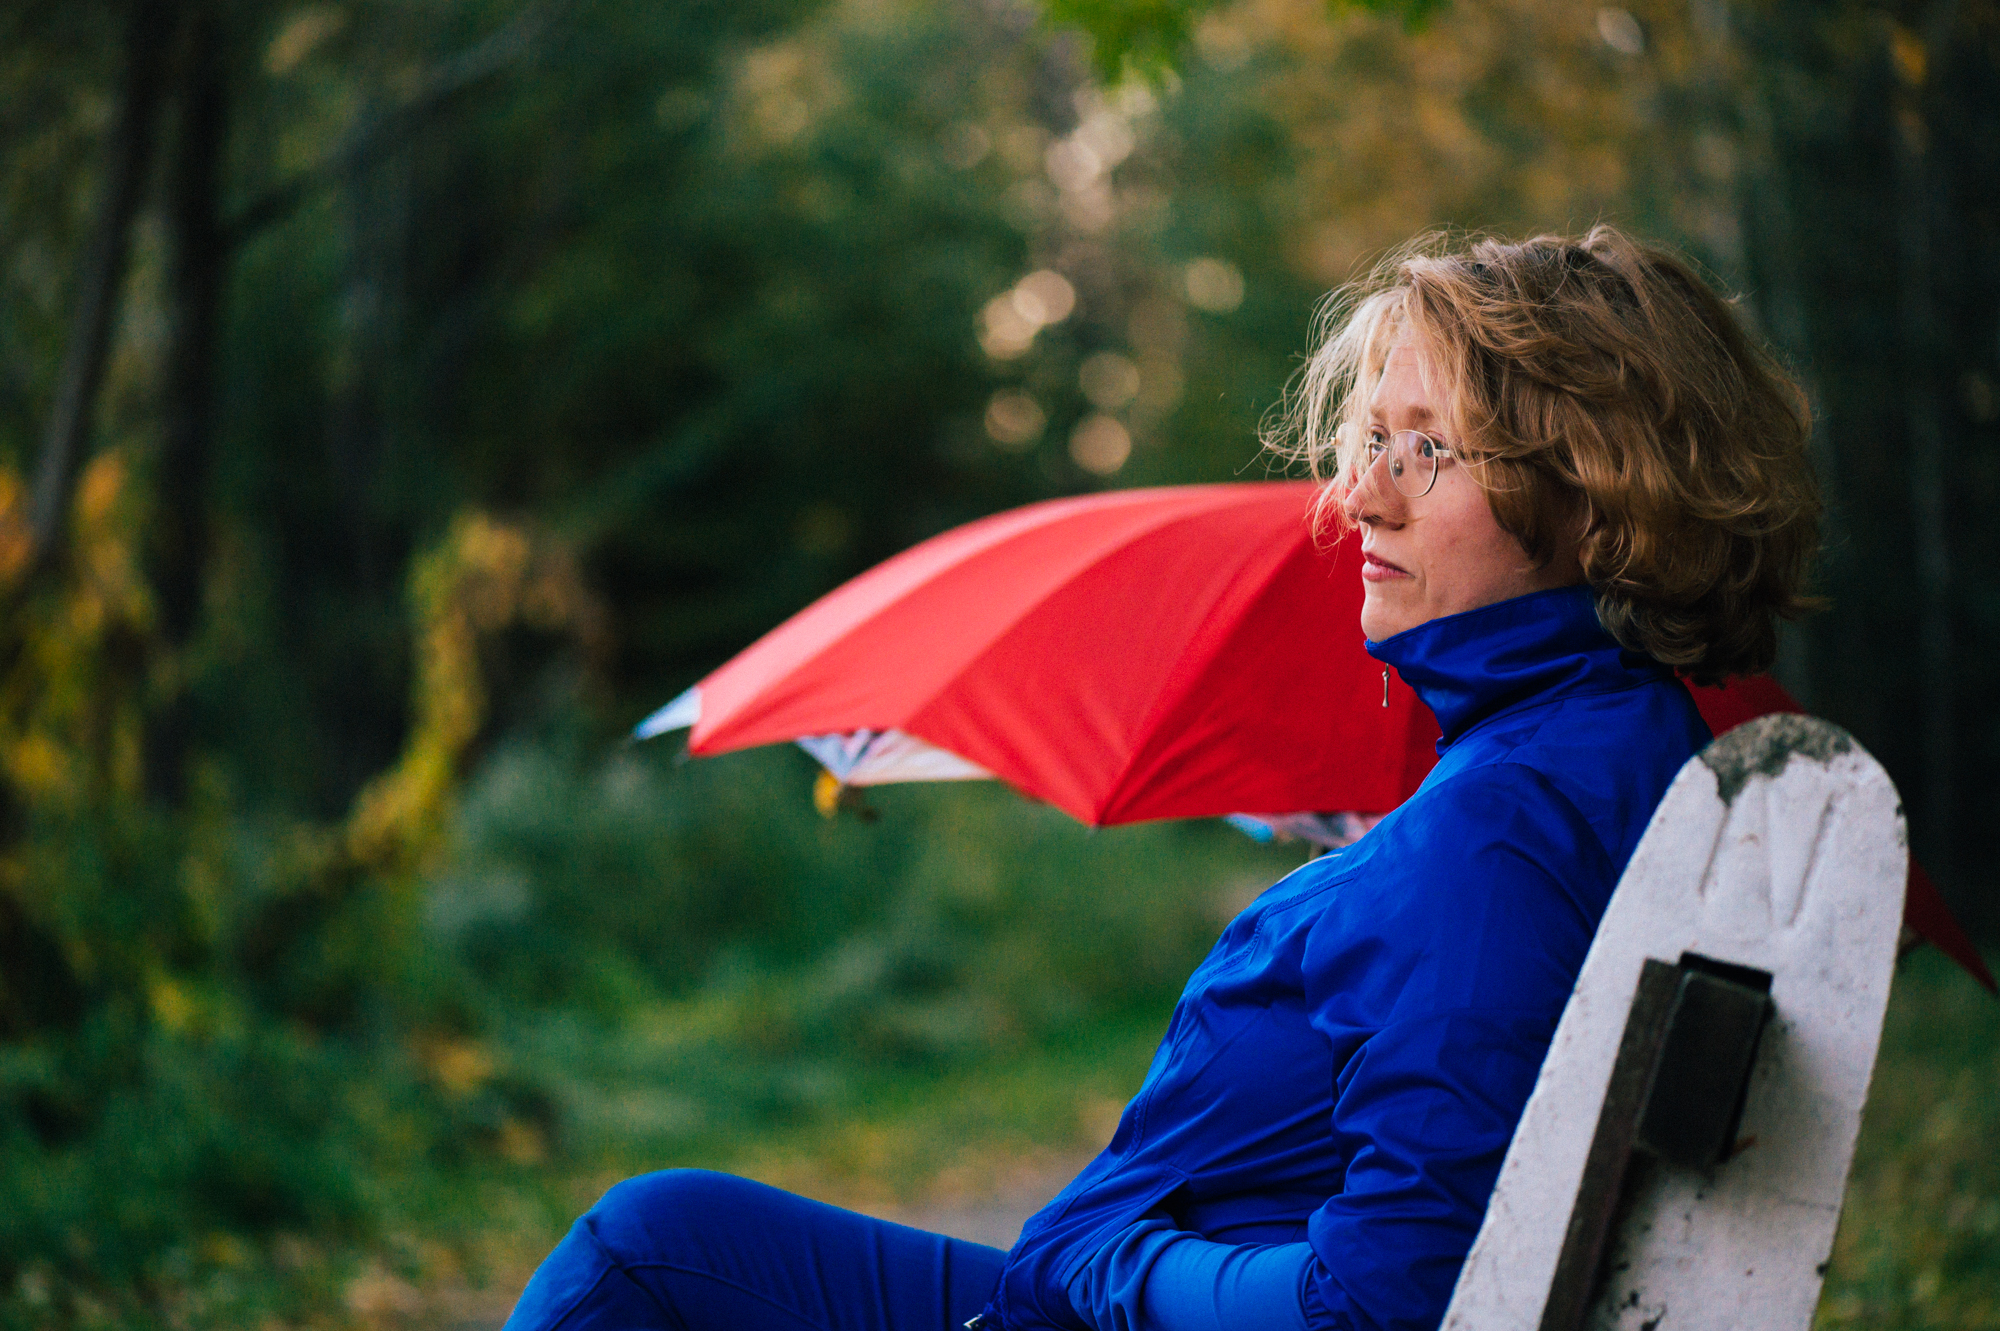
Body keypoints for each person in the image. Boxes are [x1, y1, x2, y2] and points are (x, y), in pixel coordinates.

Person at [501, 226, 1820, 1331]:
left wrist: (1112, 1265)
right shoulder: (1620, 748)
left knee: (644, 1253)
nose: (1362, 496)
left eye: (1428, 450)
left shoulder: (1497, 831)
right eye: (1370, 440)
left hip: (1090, 1313)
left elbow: (1385, 1304)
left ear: (1596, 496)